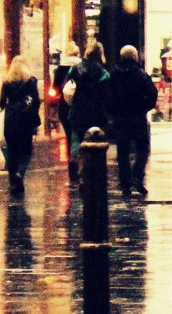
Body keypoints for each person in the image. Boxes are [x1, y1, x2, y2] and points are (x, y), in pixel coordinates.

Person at [108, 44, 158, 199]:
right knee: (143, 149)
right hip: (137, 118)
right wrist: (143, 108)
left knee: (122, 152)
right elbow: (152, 94)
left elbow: (108, 97)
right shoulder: (141, 75)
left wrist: (114, 112)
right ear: (135, 57)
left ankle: (125, 185)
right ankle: (137, 175)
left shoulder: (113, 75)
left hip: (121, 119)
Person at [65, 46, 112, 182]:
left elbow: (66, 87)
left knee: (76, 141)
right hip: (97, 114)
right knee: (95, 143)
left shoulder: (74, 69)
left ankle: (75, 171)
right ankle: (90, 172)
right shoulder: (103, 73)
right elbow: (107, 97)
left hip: (78, 112)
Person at [0, 55, 42, 198]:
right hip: (25, 118)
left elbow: (1, 101)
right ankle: (20, 173)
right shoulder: (31, 80)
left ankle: (12, 182)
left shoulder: (7, 81)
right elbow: (36, 100)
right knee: (26, 150)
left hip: (10, 118)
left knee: (12, 151)